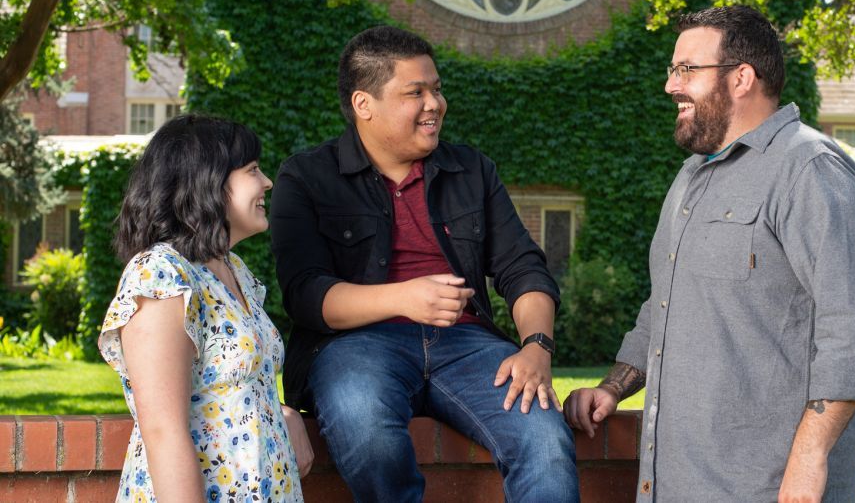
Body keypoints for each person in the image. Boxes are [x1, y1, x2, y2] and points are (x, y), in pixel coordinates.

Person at [564, 6, 855, 502]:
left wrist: (810, 459)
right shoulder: (691, 177)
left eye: (686, 70)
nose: (671, 86)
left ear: (741, 77)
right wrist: (614, 387)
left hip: (766, 487)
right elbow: (667, 308)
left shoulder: (810, 168)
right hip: (674, 484)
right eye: (671, 70)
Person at [269, 25, 579, 502]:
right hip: (354, 347)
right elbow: (306, 295)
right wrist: (404, 297)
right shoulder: (307, 176)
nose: (435, 104)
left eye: (437, 89)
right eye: (416, 93)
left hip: (469, 346)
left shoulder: (472, 169)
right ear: (363, 104)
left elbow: (524, 268)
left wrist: (537, 347)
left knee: (545, 440)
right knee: (365, 425)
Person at [99, 114, 313, 502]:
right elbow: (164, 431)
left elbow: (226, 387)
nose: (266, 182)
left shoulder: (233, 270)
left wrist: (283, 413)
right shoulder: (161, 277)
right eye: (252, 170)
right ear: (207, 182)